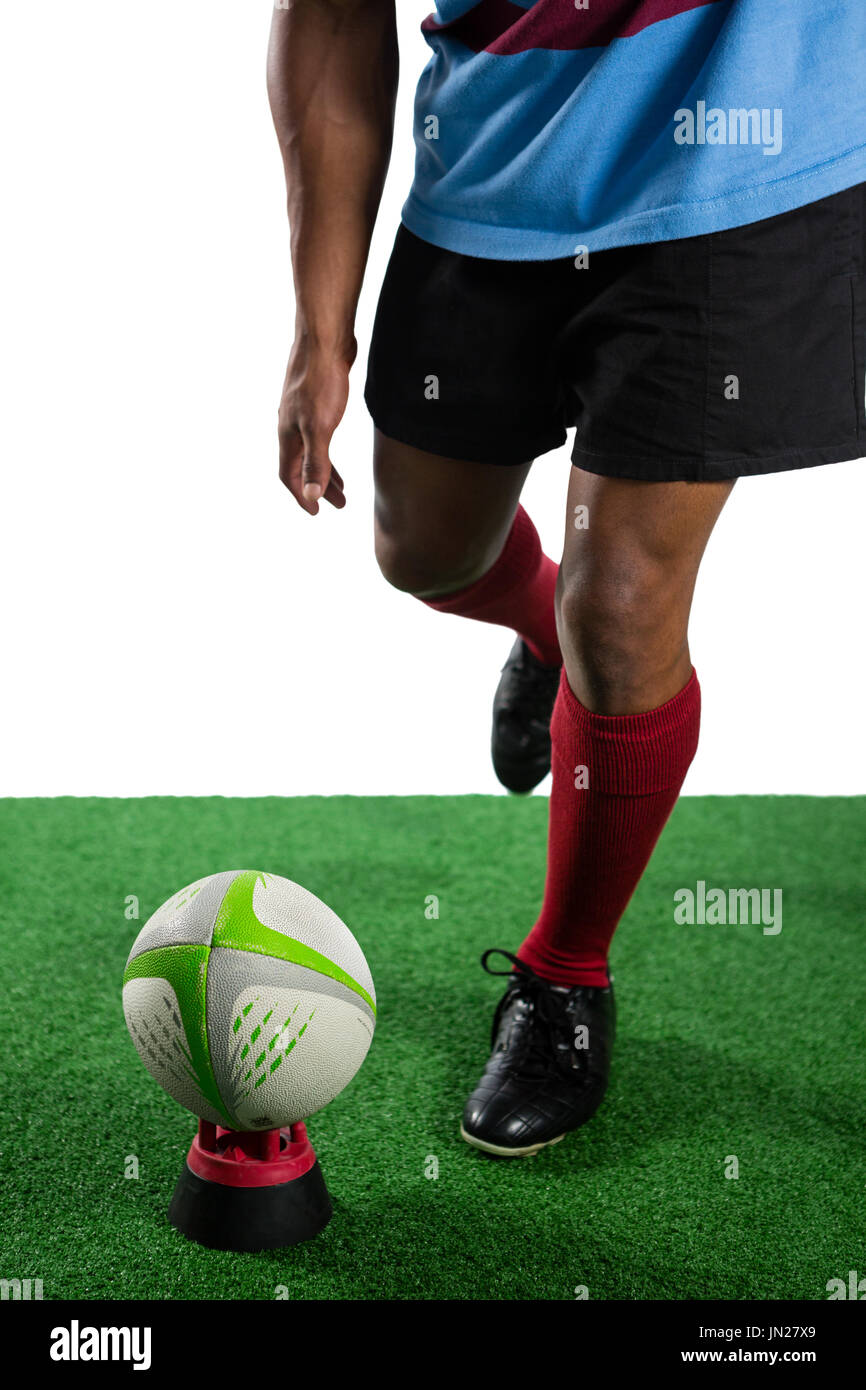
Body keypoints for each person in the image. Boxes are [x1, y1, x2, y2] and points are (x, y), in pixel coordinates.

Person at [267, 1, 866, 1156]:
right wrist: (319, 327)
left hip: (745, 169)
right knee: (422, 550)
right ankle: (548, 639)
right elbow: (329, 15)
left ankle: (562, 977)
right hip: (497, 168)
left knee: (624, 601)